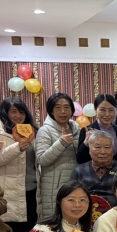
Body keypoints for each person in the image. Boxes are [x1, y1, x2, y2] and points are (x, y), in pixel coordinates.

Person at [0, 98, 38, 232]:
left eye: (22, 112)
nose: (18, 116)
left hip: (31, 191)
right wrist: (17, 148)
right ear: (5, 113)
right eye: (13, 111)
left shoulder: (32, 132)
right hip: (7, 192)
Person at [36, 93, 80, 221]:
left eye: (66, 107)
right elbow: (42, 159)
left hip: (74, 183)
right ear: (51, 110)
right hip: (53, 187)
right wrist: (61, 143)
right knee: (54, 223)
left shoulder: (76, 129)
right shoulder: (45, 130)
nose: (63, 111)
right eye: (58, 107)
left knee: (72, 221)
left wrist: (87, 144)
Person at [69, 131, 117, 207]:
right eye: (97, 147)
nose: (103, 152)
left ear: (113, 150)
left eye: (107, 147)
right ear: (89, 150)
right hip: (85, 212)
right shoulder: (79, 171)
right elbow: (70, 196)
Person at [76, 94, 117, 165]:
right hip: (94, 170)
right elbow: (80, 159)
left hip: (116, 170)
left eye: (111, 110)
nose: (107, 114)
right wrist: (86, 144)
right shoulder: (87, 131)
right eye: (102, 110)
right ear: (95, 110)